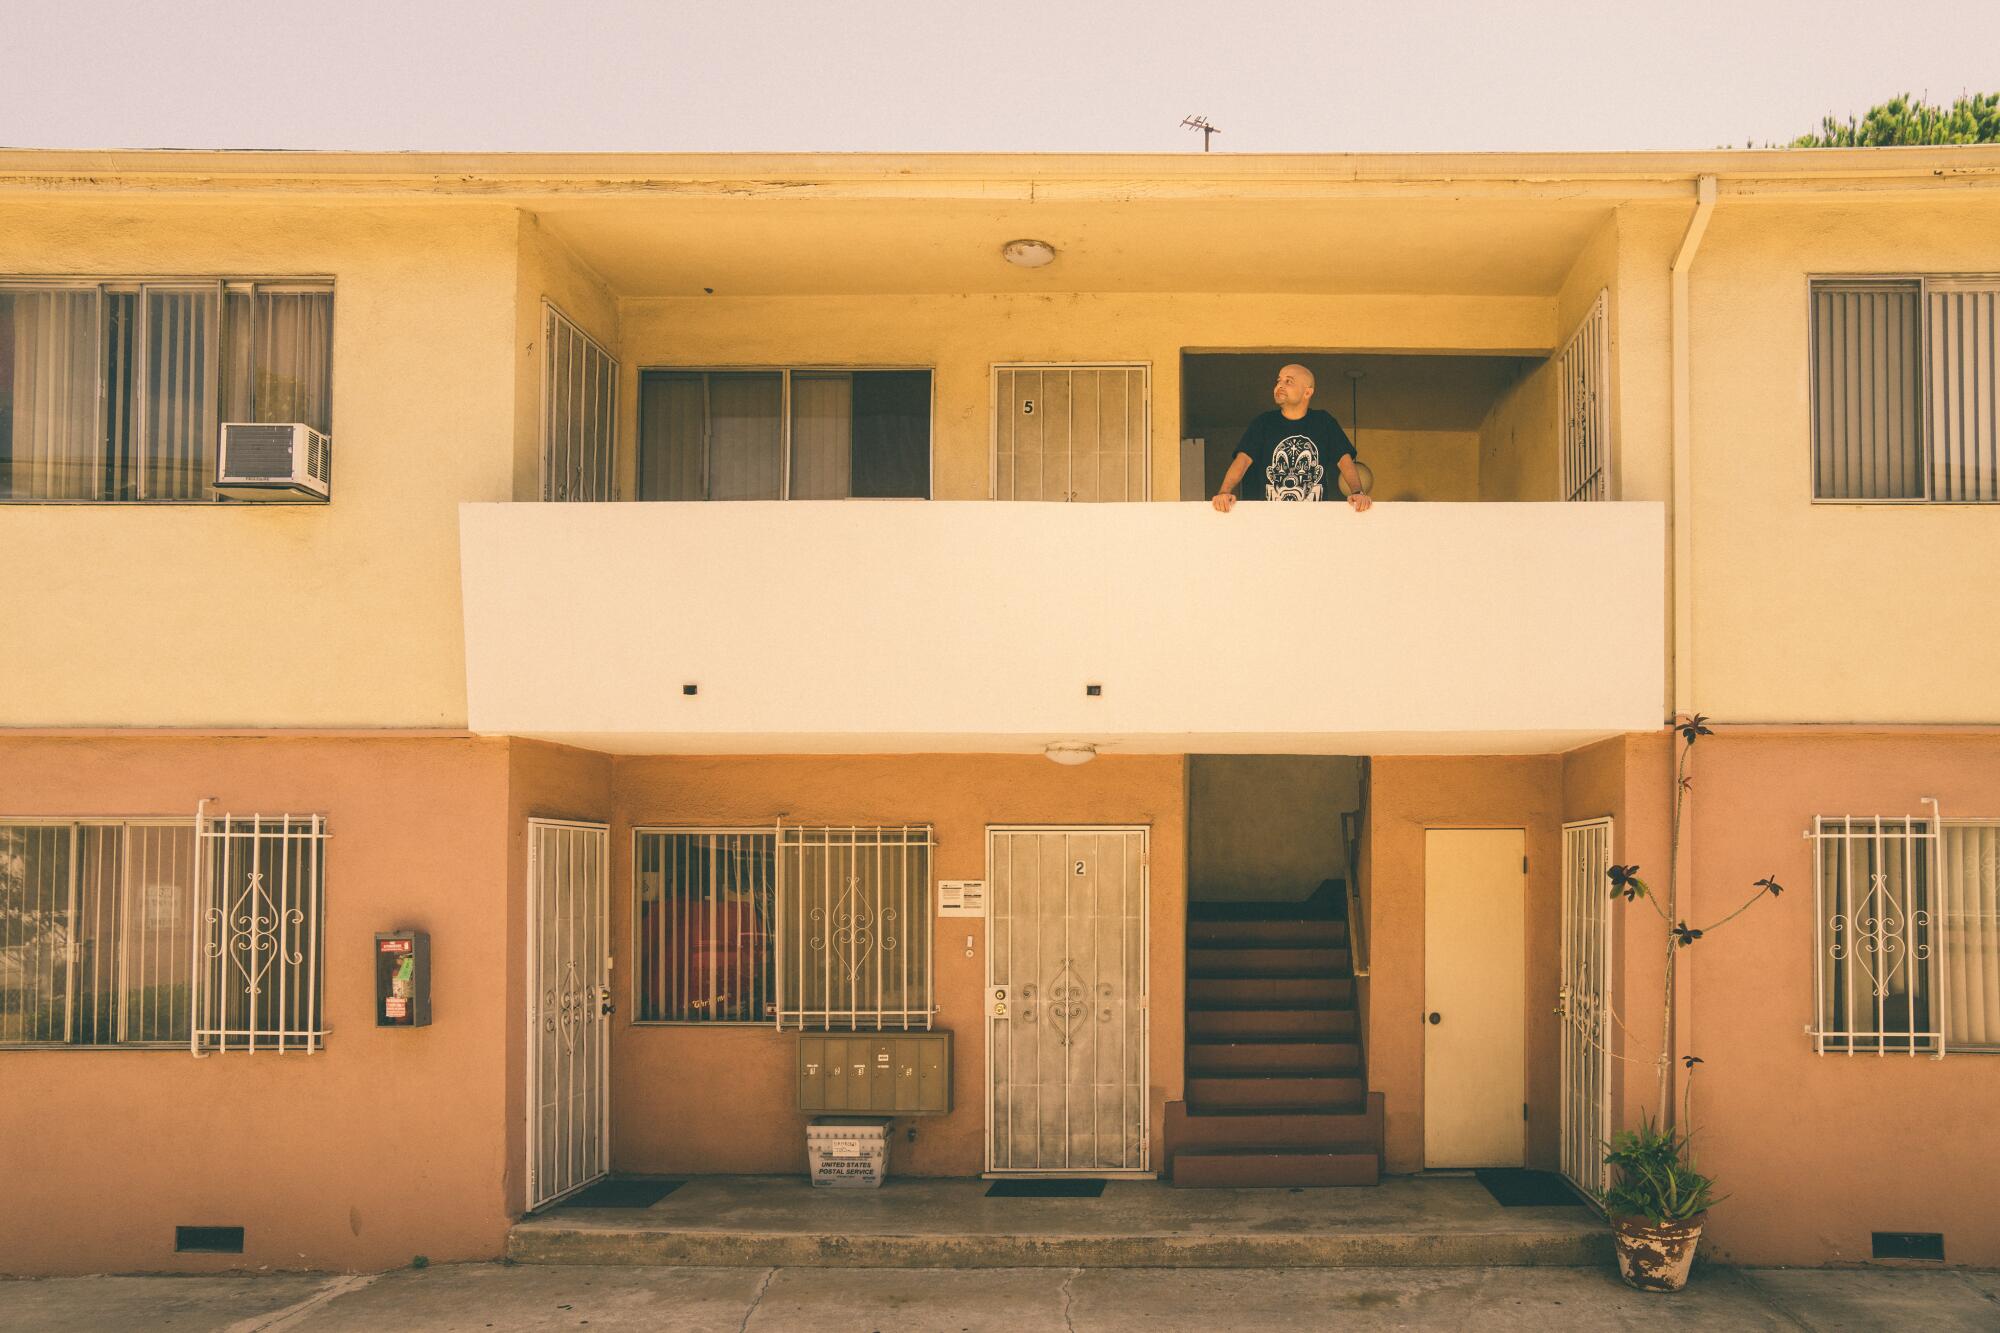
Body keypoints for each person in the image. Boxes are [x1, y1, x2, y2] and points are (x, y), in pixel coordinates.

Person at [1212, 363, 1372, 512]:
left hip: (1314, 520)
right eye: (1278, 381)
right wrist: (1224, 492)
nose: (1279, 386)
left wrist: (1357, 492)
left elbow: (1344, 460)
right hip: (1272, 520)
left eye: (1288, 382)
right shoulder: (1263, 423)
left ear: (1307, 392)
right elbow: (1243, 460)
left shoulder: (1324, 422)